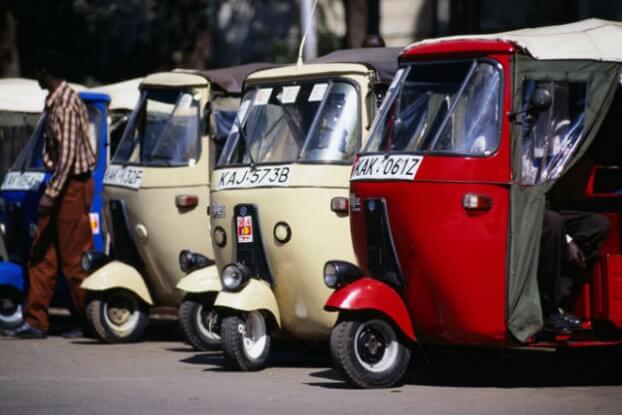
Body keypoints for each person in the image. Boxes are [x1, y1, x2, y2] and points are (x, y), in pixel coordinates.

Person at [6, 50, 95, 339]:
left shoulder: (67, 104)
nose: (36, 78)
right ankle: (36, 321)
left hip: (70, 185)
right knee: (41, 253)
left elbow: (68, 158)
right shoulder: (56, 101)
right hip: (60, 183)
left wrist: (51, 193)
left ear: (45, 70)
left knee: (73, 258)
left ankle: (89, 321)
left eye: (37, 72)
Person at [539, 209, 610, 334]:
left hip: (544, 206)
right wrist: (568, 241)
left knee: (598, 224)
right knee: (553, 221)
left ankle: (559, 305)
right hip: (523, 211)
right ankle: (548, 308)